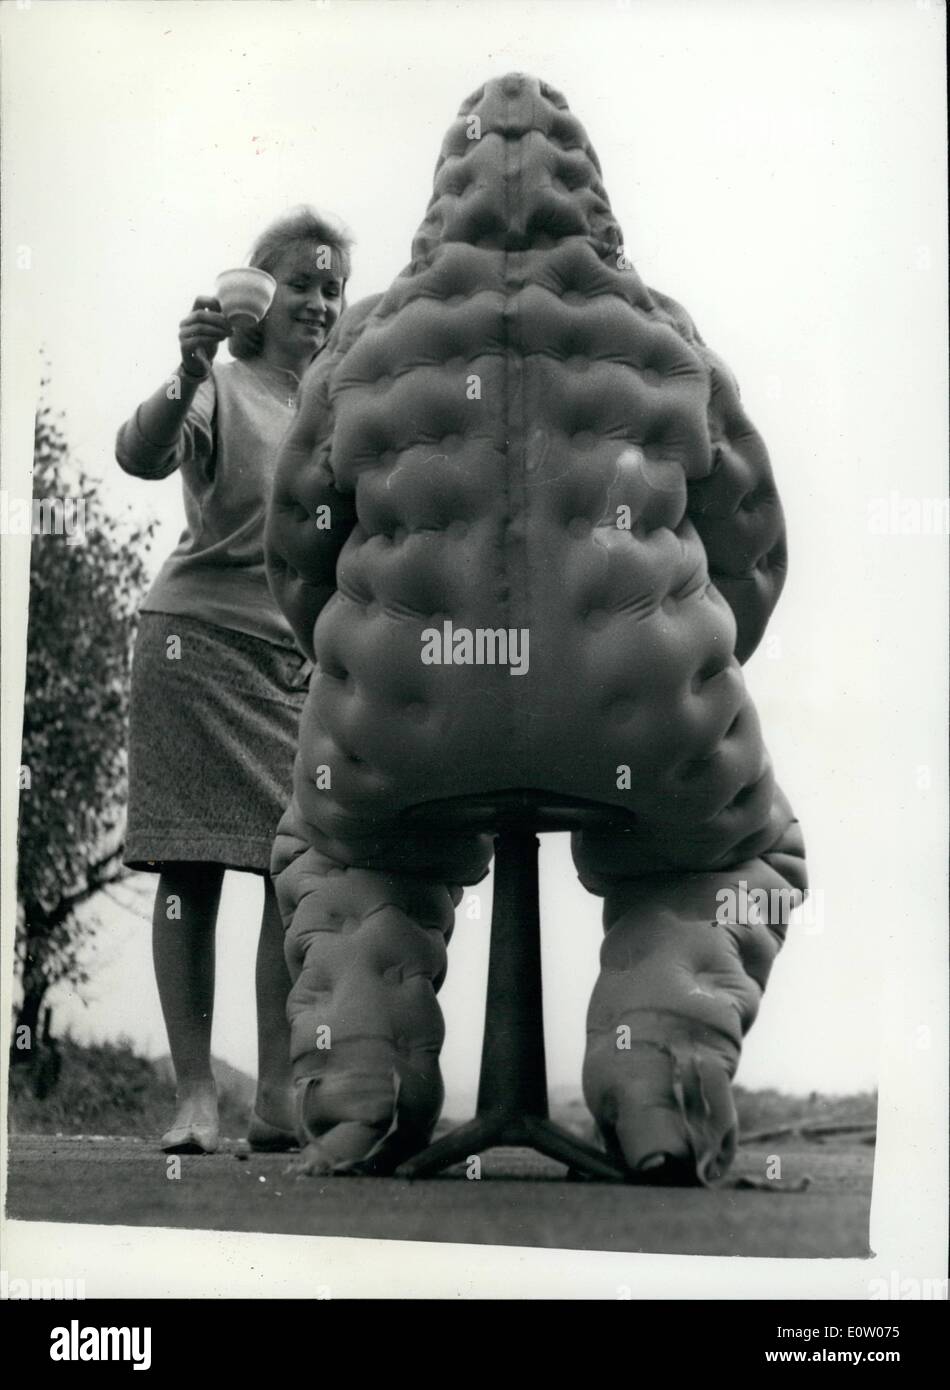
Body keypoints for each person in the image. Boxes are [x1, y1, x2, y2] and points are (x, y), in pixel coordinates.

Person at [116, 206, 353, 1153]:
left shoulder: (343, 410)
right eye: (303, 282)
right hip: (193, 647)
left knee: (285, 874)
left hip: (295, 666)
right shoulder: (220, 385)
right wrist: (185, 371)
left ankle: (275, 1101)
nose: (322, 301)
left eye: (334, 287)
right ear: (258, 294)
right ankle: (195, 1098)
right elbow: (140, 453)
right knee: (189, 867)